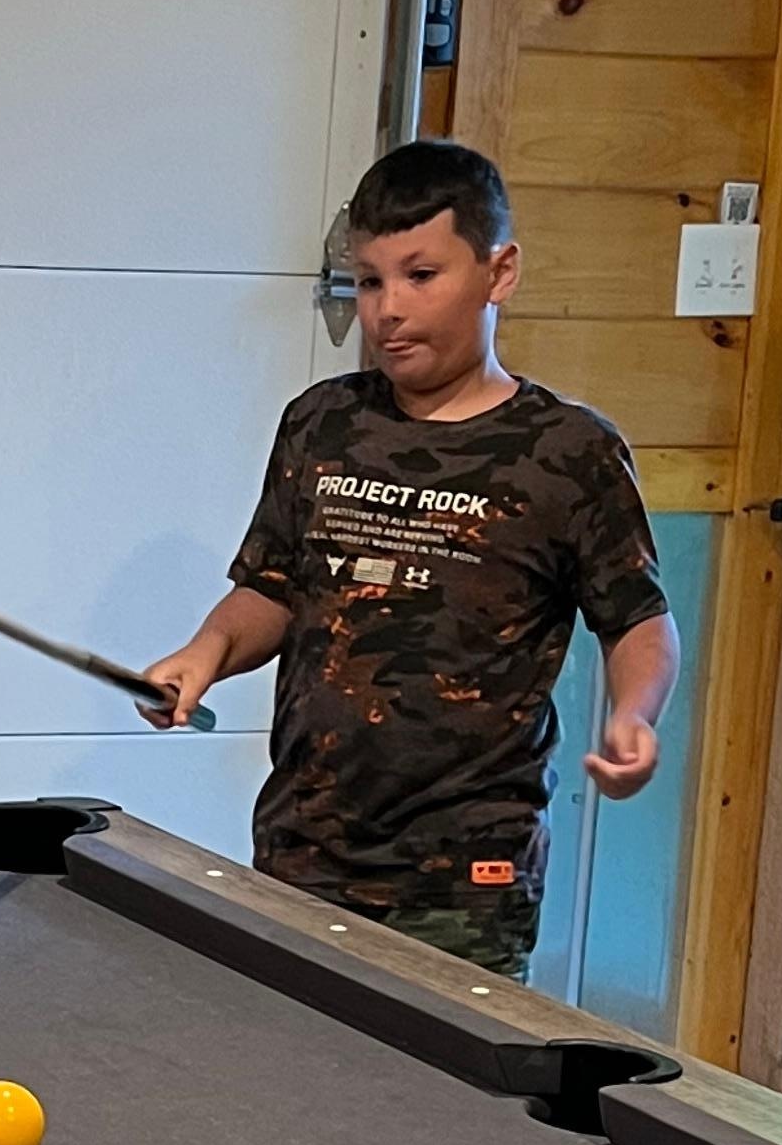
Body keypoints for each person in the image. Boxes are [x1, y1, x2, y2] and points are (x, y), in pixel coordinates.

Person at [139, 138, 679, 980]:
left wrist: (635, 715)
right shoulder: (321, 422)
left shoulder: (569, 451)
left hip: (463, 879)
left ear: (499, 272)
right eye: (369, 281)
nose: (388, 308)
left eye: (421, 275)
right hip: (303, 849)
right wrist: (204, 653)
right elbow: (274, 586)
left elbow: (638, 619)